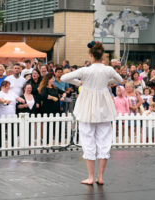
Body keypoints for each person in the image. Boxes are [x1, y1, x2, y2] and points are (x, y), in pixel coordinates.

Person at [61, 41, 122, 185]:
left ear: (90, 55)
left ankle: (90, 177)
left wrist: (80, 83)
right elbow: (119, 80)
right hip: (104, 106)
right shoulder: (108, 70)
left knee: (88, 140)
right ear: (102, 55)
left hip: (87, 106)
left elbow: (64, 78)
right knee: (104, 141)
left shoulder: (85, 70)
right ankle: (100, 177)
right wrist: (106, 82)